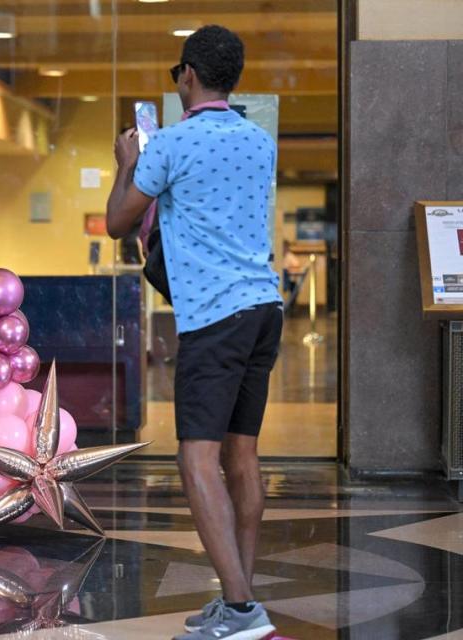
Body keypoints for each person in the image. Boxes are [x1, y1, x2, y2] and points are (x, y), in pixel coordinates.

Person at [105, 26, 282, 640]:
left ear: (187, 76)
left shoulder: (171, 144)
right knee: (242, 453)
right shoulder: (260, 141)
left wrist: (128, 163)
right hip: (264, 307)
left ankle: (239, 612)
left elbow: (115, 222)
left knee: (196, 458)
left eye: (179, 72)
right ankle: (240, 598)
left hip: (214, 316)